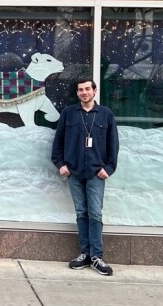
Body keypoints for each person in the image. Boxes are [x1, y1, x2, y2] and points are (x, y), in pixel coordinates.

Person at [51, 78, 119, 276]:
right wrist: (61, 164)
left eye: (87, 89)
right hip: (75, 172)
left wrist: (109, 168)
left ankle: (97, 256)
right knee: (81, 212)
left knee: (95, 213)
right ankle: (85, 254)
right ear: (77, 93)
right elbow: (58, 143)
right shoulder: (69, 114)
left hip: (97, 174)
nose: (84, 92)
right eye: (80, 90)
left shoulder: (105, 115)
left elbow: (113, 145)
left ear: (94, 91)